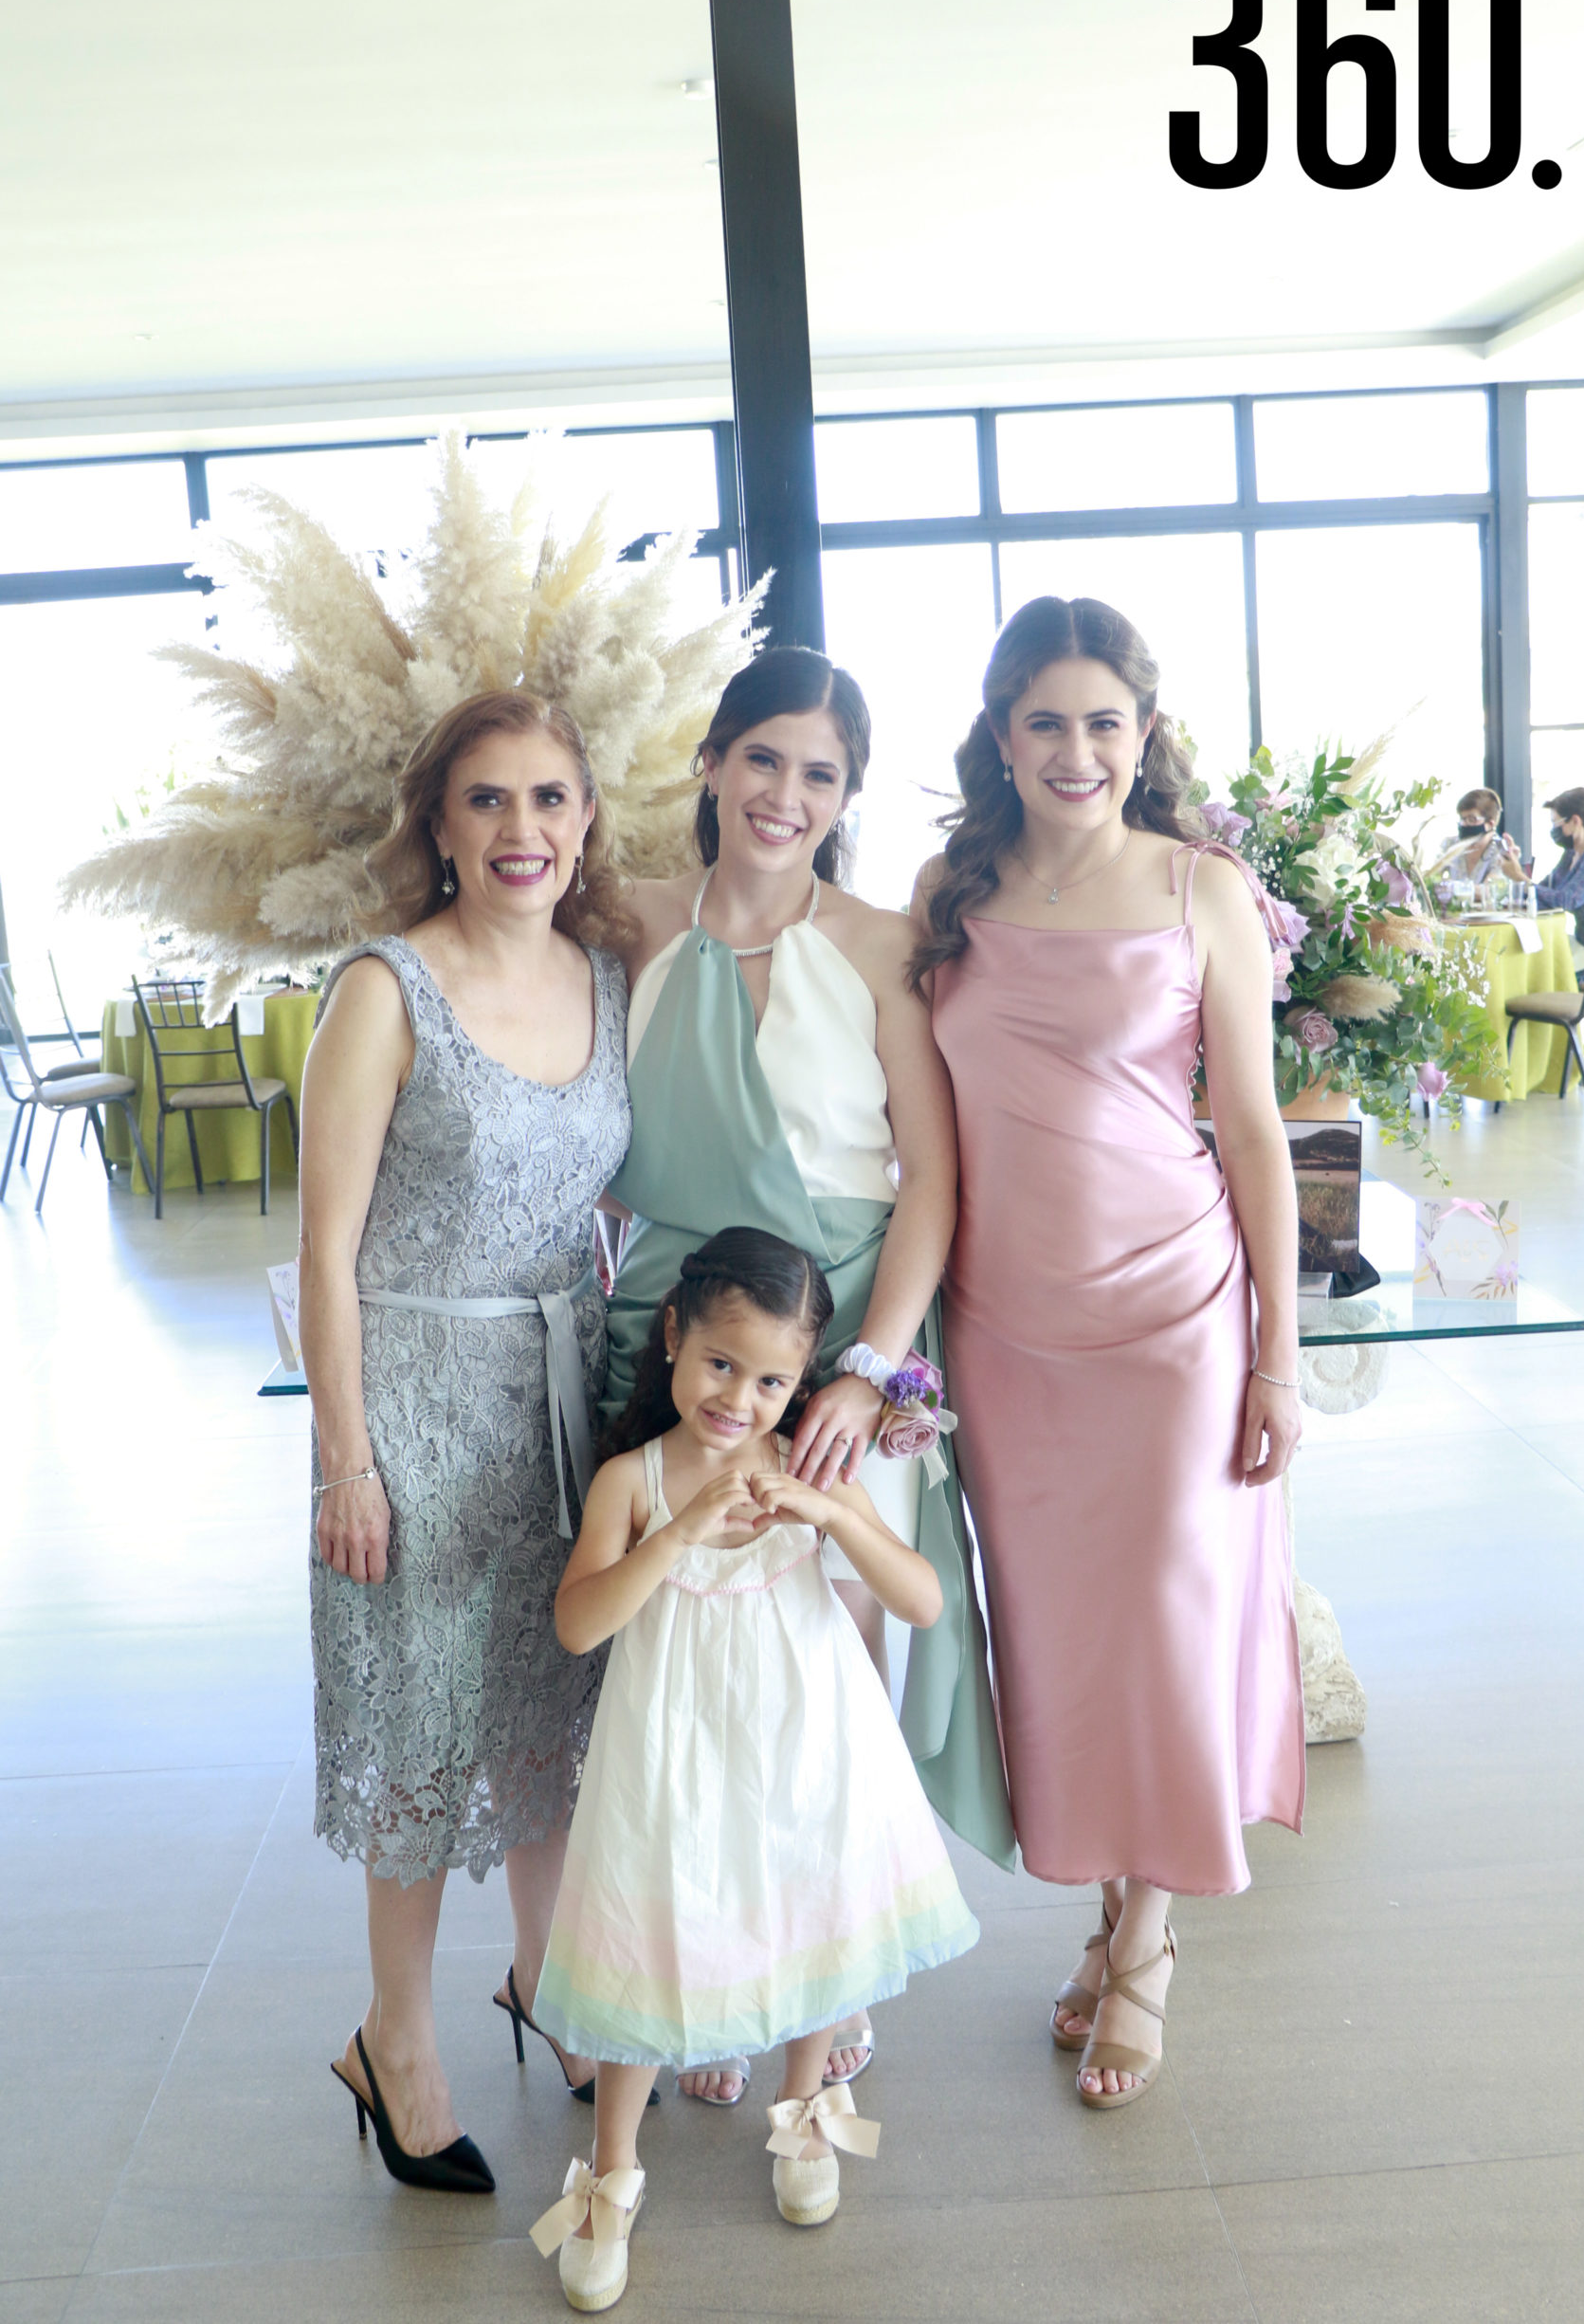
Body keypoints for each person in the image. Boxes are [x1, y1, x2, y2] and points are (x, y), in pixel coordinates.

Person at [911, 595, 1306, 2112]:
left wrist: (1273, 1352)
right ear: (998, 735)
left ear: (1139, 734)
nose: (1073, 750)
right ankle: (1101, 1909)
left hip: (1175, 1319)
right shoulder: (948, 885)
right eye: (1043, 722)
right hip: (1005, 1332)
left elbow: (1251, 1129)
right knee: (1061, 1643)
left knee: (1164, 1624)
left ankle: (1143, 1940)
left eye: (1102, 722)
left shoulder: (1201, 885)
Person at [607, 644, 1012, 2104]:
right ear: (711, 761)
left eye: (820, 774)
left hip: (841, 1343)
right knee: (689, 1674)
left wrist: (868, 1371)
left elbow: (930, 1184)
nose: (786, 794)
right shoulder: (626, 922)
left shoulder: (877, 943)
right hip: (672, 1337)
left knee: (824, 1666)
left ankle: (822, 1981)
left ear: (843, 797)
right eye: (762, 758)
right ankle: (710, 1967)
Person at [300, 689, 632, 2191]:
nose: (523, 830)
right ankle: (395, 2038)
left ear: (585, 820)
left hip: (558, 1399)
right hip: (419, 1406)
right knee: (421, 1731)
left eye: (549, 799)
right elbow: (324, 1250)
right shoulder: (383, 988)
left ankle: (550, 1981)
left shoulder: (606, 976)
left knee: (550, 1717)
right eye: (487, 800)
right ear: (436, 822)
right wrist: (345, 1461)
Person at [527, 1228, 979, 2315]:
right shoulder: (633, 1480)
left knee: (811, 1902)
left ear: (803, 1380)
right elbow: (580, 1625)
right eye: (722, 1364)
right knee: (647, 1935)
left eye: (773, 1377)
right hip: (670, 1756)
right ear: (675, 1337)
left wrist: (830, 1512)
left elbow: (919, 1600)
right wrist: (678, 1531)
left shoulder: (807, 1466)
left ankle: (805, 2108)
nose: (740, 1397)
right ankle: (613, 2171)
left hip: (805, 1740)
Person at [1533, 787, 1584, 975]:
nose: (1554, 830)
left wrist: (1521, 882)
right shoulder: (1572, 854)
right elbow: (1546, 890)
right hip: (1582, 946)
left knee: (1539, 967)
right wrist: (1523, 885)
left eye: (1556, 823)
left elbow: (1566, 900)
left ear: (1575, 821)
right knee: (1533, 956)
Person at [1428, 787, 1522, 888]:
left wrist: (1448, 889)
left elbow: (1489, 891)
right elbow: (1431, 880)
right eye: (1462, 818)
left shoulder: (1501, 850)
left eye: (1471, 819)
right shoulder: (1450, 844)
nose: (1464, 824)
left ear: (1490, 824)